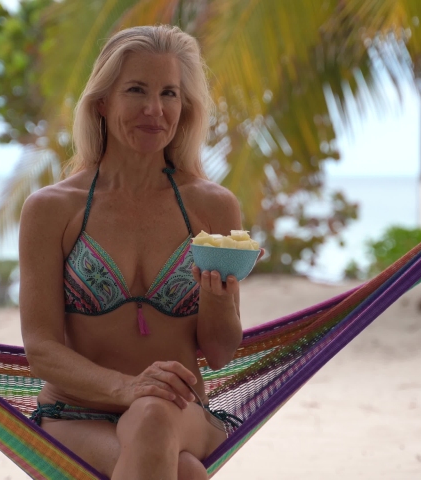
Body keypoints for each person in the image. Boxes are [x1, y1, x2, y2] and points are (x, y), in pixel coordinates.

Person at [19, 25, 255, 480]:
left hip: (183, 411)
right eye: (136, 90)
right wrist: (127, 387)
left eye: (169, 93)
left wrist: (220, 299)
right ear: (102, 103)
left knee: (153, 414)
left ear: (184, 107)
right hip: (74, 415)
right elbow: (42, 349)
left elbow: (221, 352)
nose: (154, 109)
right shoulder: (52, 209)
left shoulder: (211, 206)